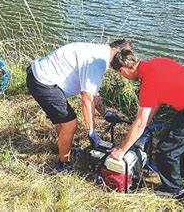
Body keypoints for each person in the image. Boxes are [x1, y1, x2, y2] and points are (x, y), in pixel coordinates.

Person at [109, 49, 184, 199]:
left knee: (166, 149)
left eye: (120, 74)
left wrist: (122, 150)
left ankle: (175, 190)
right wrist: (145, 122)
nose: (123, 77)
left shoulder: (148, 82)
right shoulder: (156, 62)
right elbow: (155, 102)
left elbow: (140, 122)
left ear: (123, 70)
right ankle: (183, 174)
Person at [26, 39, 133, 173]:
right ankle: (63, 165)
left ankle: (63, 148)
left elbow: (93, 93)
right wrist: (91, 131)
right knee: (70, 123)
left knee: (63, 120)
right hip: (43, 81)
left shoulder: (98, 52)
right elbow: (87, 99)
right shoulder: (99, 62)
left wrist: (105, 113)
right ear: (118, 52)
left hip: (40, 76)